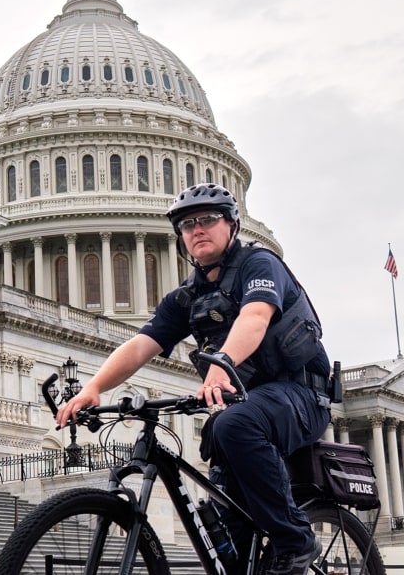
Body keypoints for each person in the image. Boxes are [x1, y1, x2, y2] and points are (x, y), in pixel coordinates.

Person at [56, 183, 333, 575]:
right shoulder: (186, 297)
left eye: (208, 219)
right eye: (187, 225)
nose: (197, 229)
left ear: (232, 225)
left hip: (300, 395)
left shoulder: (260, 265)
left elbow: (255, 318)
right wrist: (93, 388)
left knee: (232, 423)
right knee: (228, 530)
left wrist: (220, 365)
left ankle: (295, 540)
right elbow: (140, 346)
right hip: (246, 404)